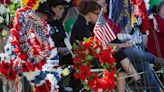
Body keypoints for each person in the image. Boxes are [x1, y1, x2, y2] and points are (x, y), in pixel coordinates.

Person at [71, 1, 141, 92]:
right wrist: (118, 46)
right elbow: (91, 45)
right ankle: (136, 78)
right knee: (118, 56)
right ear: (90, 14)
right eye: (97, 15)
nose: (99, 18)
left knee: (118, 61)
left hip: (93, 55)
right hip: (86, 60)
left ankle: (133, 80)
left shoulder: (87, 24)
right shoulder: (81, 25)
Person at [94, 0, 162, 91]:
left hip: (122, 51)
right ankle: (156, 60)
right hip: (115, 55)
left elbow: (119, 31)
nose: (106, 4)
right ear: (97, 8)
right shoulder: (98, 23)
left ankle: (155, 89)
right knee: (135, 52)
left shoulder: (106, 19)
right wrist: (123, 44)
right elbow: (104, 44)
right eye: (103, 3)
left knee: (145, 65)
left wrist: (127, 38)